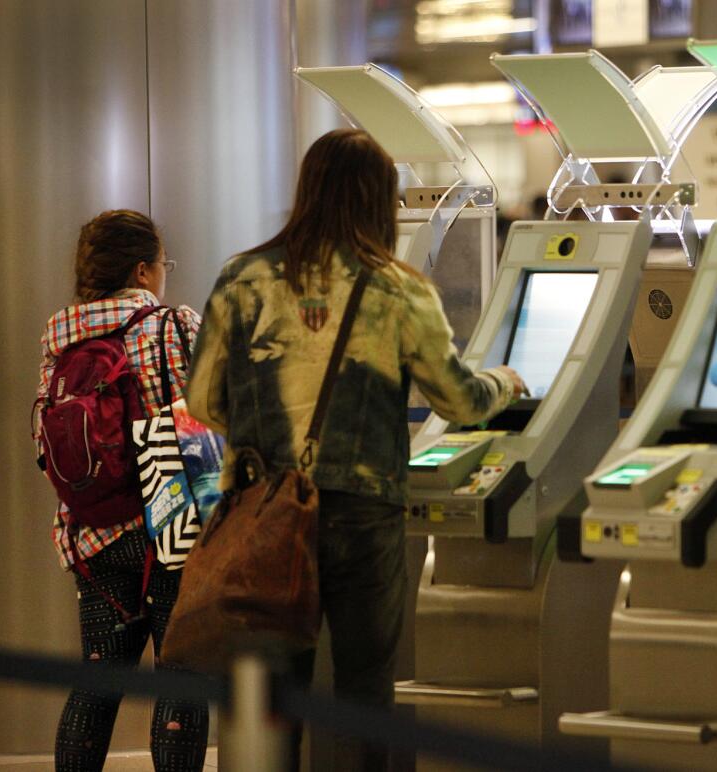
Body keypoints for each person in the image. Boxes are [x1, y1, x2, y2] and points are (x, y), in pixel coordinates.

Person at [185, 128, 526, 769]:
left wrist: (261, 432)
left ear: (307, 189)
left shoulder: (244, 280)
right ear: (380, 201)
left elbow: (202, 399)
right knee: (365, 691)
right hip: (364, 513)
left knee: (272, 695)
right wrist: (505, 381)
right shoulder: (397, 288)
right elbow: (458, 401)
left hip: (267, 514)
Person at [34, 210, 209, 771]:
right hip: (169, 530)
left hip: (92, 534)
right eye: (163, 264)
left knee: (97, 681)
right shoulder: (170, 324)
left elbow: (45, 439)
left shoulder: (60, 336)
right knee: (181, 682)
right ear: (142, 269)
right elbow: (207, 418)